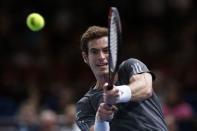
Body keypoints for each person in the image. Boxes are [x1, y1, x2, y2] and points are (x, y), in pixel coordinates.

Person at [75, 26, 168, 131]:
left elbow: (145, 88)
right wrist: (101, 120)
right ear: (85, 57)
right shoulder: (85, 105)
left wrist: (117, 94)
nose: (101, 57)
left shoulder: (130, 66)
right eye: (94, 52)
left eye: (106, 50)